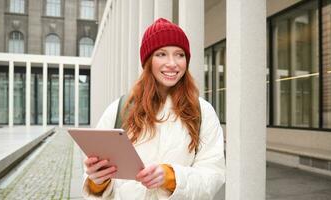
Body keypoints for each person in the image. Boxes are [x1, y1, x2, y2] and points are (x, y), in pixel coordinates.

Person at [82, 18, 225, 199]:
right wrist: (97, 182)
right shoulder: (120, 109)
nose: (172, 63)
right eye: (161, 54)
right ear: (148, 60)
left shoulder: (203, 112)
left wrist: (171, 176)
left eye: (180, 54)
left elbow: (213, 175)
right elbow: (94, 176)